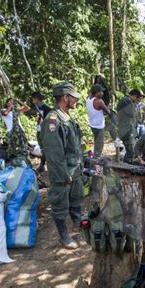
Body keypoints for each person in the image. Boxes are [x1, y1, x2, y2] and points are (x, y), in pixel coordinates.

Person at [40, 82, 85, 249]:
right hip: (63, 171)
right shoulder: (53, 120)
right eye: (74, 97)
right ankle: (64, 236)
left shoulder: (66, 116)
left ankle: (77, 220)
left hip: (74, 168)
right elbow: (53, 153)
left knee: (76, 196)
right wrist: (63, 174)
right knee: (60, 203)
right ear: (65, 98)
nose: (76, 101)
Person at [86, 84, 114, 158]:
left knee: (96, 142)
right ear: (97, 92)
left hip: (92, 124)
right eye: (101, 91)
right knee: (99, 145)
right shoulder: (99, 101)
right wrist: (108, 108)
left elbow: (97, 109)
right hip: (99, 126)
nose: (103, 93)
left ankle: (94, 158)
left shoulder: (88, 98)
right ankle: (95, 162)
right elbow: (108, 112)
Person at [117, 89, 144, 163]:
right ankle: (126, 168)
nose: (139, 102)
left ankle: (127, 166)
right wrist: (135, 104)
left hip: (129, 130)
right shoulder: (126, 101)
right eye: (138, 100)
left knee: (132, 152)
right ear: (134, 96)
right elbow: (133, 113)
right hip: (126, 131)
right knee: (130, 152)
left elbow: (135, 118)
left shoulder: (128, 101)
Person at [1, 97, 30, 162]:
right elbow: (5, 113)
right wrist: (11, 105)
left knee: (23, 145)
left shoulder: (15, 110)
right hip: (10, 131)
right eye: (10, 102)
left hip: (19, 130)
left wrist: (18, 101)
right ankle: (11, 160)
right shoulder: (3, 110)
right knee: (11, 148)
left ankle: (25, 159)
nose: (12, 103)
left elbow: (27, 108)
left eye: (12, 102)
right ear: (6, 103)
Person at [93, 75, 118, 145]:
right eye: (97, 79)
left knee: (112, 126)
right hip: (98, 112)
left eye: (100, 79)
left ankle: (117, 143)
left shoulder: (104, 89)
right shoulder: (93, 93)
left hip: (105, 108)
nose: (99, 80)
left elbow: (106, 96)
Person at [30, 91, 51, 173]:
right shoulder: (37, 107)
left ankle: (43, 165)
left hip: (44, 132)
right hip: (39, 130)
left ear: (37, 99)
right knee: (43, 150)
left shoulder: (46, 109)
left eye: (33, 98)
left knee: (46, 150)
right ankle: (42, 166)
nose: (32, 100)